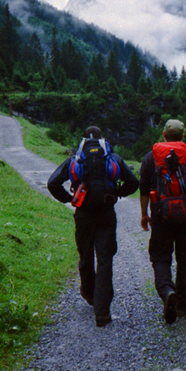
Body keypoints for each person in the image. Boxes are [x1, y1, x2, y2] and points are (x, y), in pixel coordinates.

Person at [47, 126, 139, 327]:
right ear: (101, 139)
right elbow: (133, 182)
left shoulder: (75, 160)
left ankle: (89, 294)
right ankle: (102, 312)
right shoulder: (113, 158)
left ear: (83, 140)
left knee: (85, 255)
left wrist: (70, 199)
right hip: (106, 213)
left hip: (84, 214)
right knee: (105, 259)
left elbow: (53, 183)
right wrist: (117, 194)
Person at [139, 119, 186, 324]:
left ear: (164, 134)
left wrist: (144, 214)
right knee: (185, 259)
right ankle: (181, 304)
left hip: (161, 217)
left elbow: (144, 189)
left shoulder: (150, 158)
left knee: (160, 258)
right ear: (183, 137)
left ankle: (167, 290)